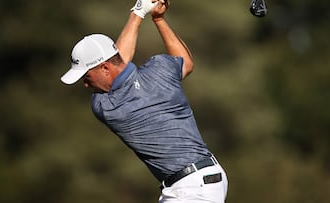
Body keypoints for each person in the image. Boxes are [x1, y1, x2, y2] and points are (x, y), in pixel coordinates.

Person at [61, 0, 228, 202]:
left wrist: (139, 12)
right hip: (197, 181)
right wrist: (157, 18)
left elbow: (120, 60)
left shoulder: (105, 106)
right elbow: (186, 62)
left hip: (192, 189)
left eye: (87, 77)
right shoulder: (160, 68)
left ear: (105, 68)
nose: (86, 85)